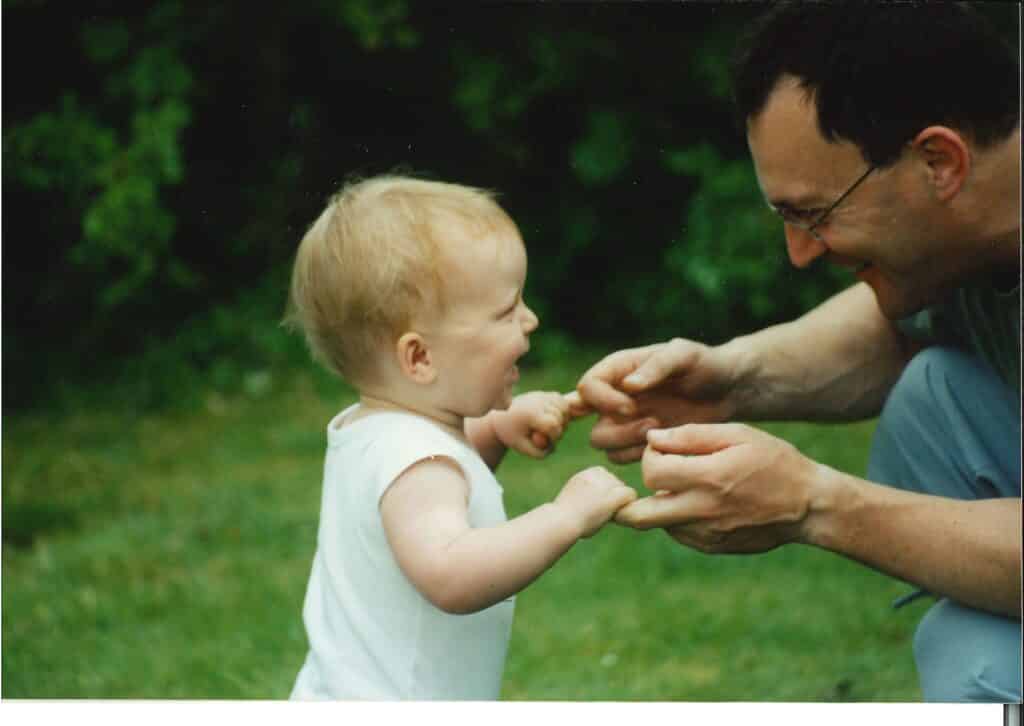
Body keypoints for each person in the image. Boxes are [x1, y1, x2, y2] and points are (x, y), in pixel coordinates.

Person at [575, 3, 1021, 703]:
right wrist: (729, 381)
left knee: (979, 663)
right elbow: (896, 328)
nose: (800, 253)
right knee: (937, 388)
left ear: (940, 162)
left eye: (814, 214)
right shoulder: (963, 249)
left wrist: (813, 504)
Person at [283, 174, 635, 700]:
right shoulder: (415, 464)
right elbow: (450, 572)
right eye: (506, 311)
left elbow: (448, 475)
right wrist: (566, 516)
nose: (530, 320)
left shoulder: (378, 432)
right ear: (420, 358)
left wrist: (495, 427)